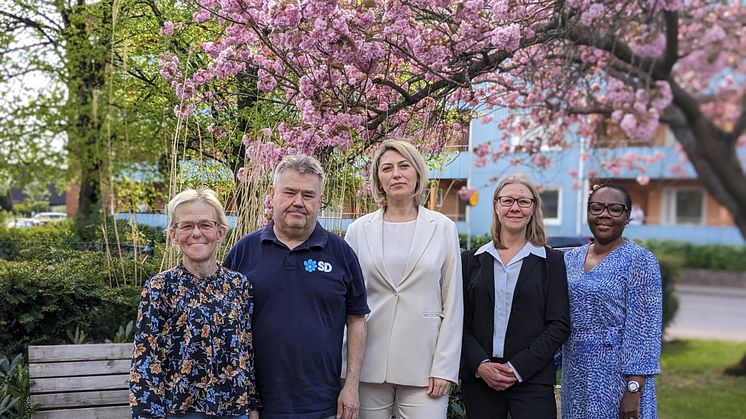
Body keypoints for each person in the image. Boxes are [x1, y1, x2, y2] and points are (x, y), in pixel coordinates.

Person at [224, 155, 369, 419]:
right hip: (258, 406)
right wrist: (241, 396)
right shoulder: (243, 252)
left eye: (308, 195)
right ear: (272, 194)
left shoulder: (341, 254)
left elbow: (357, 319)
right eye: (289, 192)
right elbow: (226, 328)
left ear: (319, 201)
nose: (298, 202)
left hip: (323, 404)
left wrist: (351, 385)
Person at [344, 140, 463, 419]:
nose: (396, 174)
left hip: (424, 367)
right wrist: (347, 370)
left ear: (418, 174)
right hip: (368, 364)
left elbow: (453, 301)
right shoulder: (358, 230)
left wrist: (444, 367)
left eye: (403, 166)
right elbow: (347, 303)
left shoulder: (443, 228)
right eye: (387, 168)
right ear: (378, 180)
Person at [130, 188, 260, 419]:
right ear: (173, 235)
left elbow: (246, 353)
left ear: (220, 233)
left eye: (205, 225)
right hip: (181, 412)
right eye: (187, 226)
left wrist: (252, 406)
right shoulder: (159, 288)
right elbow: (146, 360)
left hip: (233, 411)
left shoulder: (239, 286)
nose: (197, 233)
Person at [460, 175, 570, 419]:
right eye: (507, 200)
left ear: (533, 208)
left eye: (523, 201)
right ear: (496, 206)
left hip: (532, 380)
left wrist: (517, 368)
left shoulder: (551, 262)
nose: (515, 208)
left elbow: (559, 325)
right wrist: (480, 364)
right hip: (480, 382)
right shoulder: (471, 261)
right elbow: (460, 321)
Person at [561, 184, 662, 419]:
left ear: (627, 217)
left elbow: (645, 330)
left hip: (617, 374)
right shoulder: (571, 259)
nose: (604, 215)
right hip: (575, 370)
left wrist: (633, 388)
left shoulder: (641, 261)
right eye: (596, 208)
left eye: (615, 209)